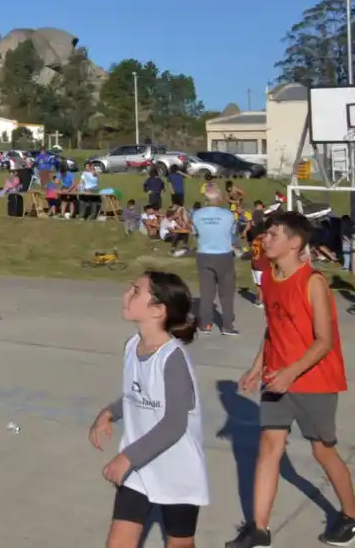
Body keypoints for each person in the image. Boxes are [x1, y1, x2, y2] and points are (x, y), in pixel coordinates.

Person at [226, 211, 355, 548]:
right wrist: (258, 366)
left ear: (296, 243)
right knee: (269, 447)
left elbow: (324, 341)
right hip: (277, 377)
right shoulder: (268, 276)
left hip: (315, 380)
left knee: (323, 452)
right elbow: (275, 327)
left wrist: (289, 372)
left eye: (274, 234)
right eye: (266, 233)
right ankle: (260, 528)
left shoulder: (313, 282)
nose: (265, 239)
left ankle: (351, 517)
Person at [88, 271, 206, 548]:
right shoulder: (132, 346)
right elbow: (136, 394)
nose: (125, 295)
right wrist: (109, 412)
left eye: (135, 291)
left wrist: (126, 458)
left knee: (180, 543)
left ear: (157, 310)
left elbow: (174, 424)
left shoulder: (173, 359)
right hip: (140, 468)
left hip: (177, 469)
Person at [191, 188, 238, 335]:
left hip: (204, 254)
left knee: (206, 291)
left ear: (206, 199)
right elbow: (233, 233)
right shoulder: (228, 215)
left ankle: (205, 324)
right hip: (223, 254)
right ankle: (227, 325)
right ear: (219, 199)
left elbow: (195, 233)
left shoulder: (197, 215)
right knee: (226, 292)